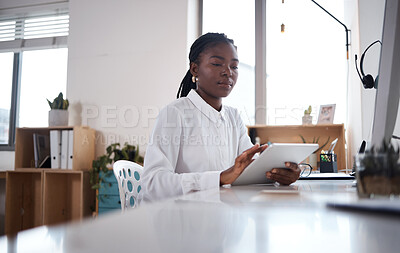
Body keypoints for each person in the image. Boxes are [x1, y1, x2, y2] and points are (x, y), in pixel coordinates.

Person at [142, 33, 300, 201]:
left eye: (234, 66)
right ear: (195, 69)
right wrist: (221, 177)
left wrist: (279, 174)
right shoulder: (174, 113)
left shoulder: (233, 116)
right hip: (183, 219)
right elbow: (152, 183)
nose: (227, 72)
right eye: (217, 64)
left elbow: (250, 169)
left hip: (222, 214)